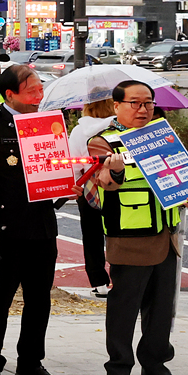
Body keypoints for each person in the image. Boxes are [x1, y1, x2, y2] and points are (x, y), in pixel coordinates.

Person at [0, 64, 66, 375]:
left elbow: (54, 173)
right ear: (10, 94)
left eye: (41, 90)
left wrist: (67, 184)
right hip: (4, 230)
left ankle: (31, 363)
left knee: (40, 299)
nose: (39, 96)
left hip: (41, 226)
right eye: (32, 91)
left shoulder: (48, 125)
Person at [89, 81, 188, 375]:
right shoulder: (103, 142)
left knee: (162, 308)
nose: (143, 109)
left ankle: (156, 367)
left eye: (148, 102)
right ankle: (118, 370)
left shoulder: (162, 136)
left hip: (166, 235)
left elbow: (179, 173)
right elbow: (101, 185)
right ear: (116, 106)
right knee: (124, 308)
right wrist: (114, 173)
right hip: (129, 236)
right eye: (135, 102)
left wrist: (186, 189)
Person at [69, 99, 118, 296]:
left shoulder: (80, 131)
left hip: (89, 188)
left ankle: (98, 282)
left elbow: (74, 164)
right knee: (116, 234)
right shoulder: (119, 127)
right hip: (116, 187)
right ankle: (119, 277)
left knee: (91, 236)